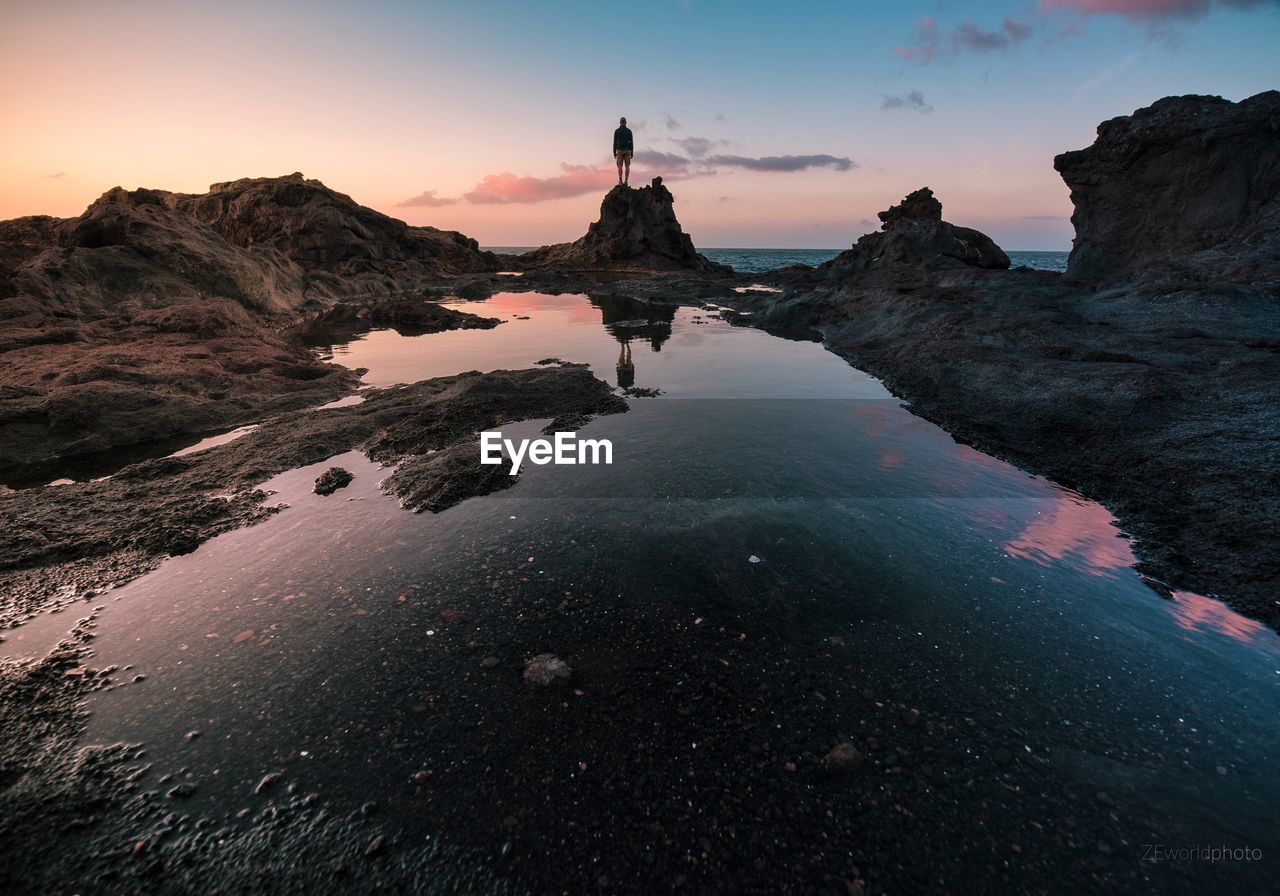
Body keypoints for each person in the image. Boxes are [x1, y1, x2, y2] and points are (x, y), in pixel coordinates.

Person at [613, 116, 634, 185]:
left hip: (619, 150)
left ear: (620, 123)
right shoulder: (629, 131)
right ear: (626, 122)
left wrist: (614, 152)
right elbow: (631, 142)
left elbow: (614, 142)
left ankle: (620, 180)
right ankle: (626, 181)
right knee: (627, 166)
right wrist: (632, 152)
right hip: (627, 150)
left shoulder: (617, 131)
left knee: (620, 166)